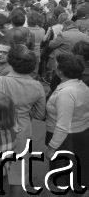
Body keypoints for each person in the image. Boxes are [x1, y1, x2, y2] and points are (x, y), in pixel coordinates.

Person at [0, 44, 46, 196]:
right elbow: (40, 114)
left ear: (11, 60)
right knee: (19, 171)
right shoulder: (37, 86)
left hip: (1, 128)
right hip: (23, 129)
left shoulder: (0, 81)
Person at [45, 54, 89, 192]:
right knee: (75, 175)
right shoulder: (81, 85)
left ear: (60, 71)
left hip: (65, 140)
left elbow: (63, 125)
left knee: (64, 179)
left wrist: (52, 147)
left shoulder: (66, 93)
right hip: (79, 134)